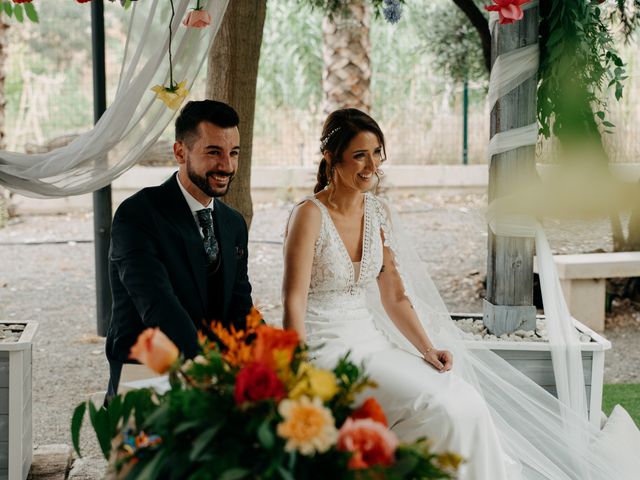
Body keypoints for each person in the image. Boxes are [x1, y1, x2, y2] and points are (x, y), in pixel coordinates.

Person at [282, 108, 639, 479]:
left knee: (465, 400)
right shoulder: (310, 215)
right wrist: (297, 370)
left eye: (376, 153)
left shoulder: (377, 213)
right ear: (331, 157)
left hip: (371, 343)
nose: (371, 164)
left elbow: (395, 297)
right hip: (325, 350)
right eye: (359, 154)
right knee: (438, 407)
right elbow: (293, 299)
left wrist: (426, 348)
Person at [105, 100, 252, 400]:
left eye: (233, 153)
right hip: (147, 373)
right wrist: (210, 371)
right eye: (214, 152)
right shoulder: (137, 215)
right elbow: (158, 307)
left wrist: (271, 355)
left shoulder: (233, 223)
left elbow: (240, 308)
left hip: (215, 373)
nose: (227, 165)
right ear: (180, 152)